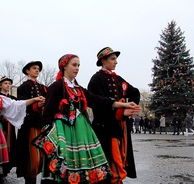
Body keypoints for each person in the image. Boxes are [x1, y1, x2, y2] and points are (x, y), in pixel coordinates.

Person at [32, 54, 141, 184]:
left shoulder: (79, 89)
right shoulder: (56, 87)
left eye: (78, 65)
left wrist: (123, 105)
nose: (77, 68)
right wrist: (49, 138)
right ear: (64, 66)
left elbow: (98, 100)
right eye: (74, 65)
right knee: (64, 164)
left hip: (81, 131)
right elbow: (47, 114)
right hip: (63, 131)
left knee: (81, 163)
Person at [87, 47, 141, 183]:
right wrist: (121, 110)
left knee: (121, 159)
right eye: (112, 59)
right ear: (103, 61)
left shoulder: (117, 79)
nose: (116, 62)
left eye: (116, 59)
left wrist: (131, 107)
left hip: (120, 127)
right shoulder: (96, 79)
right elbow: (97, 103)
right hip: (105, 128)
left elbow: (135, 92)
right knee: (109, 162)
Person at [15, 61, 47, 184]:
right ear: (27, 71)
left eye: (38, 68)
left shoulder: (43, 87)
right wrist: (36, 105)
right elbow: (21, 105)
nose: (37, 70)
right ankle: (29, 178)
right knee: (30, 153)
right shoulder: (23, 87)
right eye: (34, 68)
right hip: (29, 124)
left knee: (42, 153)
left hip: (41, 123)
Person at [0, 76, 17, 183]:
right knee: (0, 147)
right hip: (0, 126)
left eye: (9, 83)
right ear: (0, 85)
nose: (8, 85)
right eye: (5, 83)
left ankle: (5, 171)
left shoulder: (13, 98)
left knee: (10, 147)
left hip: (11, 127)